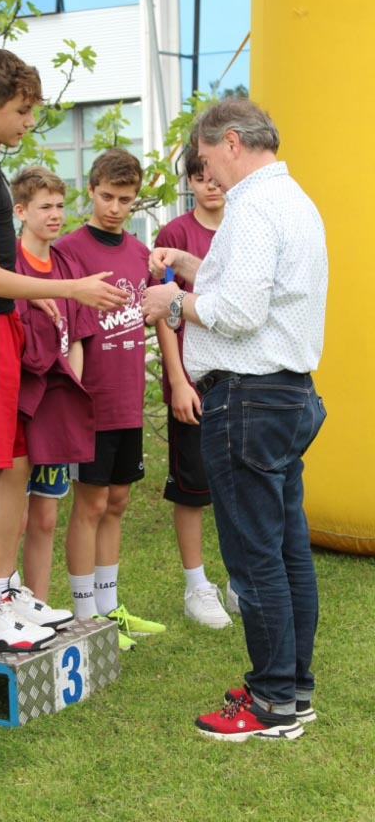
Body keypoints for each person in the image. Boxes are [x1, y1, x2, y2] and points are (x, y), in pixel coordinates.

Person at [143, 98, 327, 741]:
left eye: (205, 157)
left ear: (230, 141)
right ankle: (292, 688)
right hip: (286, 394)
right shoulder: (294, 200)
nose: (207, 172)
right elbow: (259, 289)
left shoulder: (251, 206)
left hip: (247, 397)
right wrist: (193, 268)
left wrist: (173, 302)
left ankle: (272, 702)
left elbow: (241, 312)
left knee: (254, 558)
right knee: (287, 550)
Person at [0, 48, 129, 654]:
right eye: (21, 111)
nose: (28, 122)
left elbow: (1, 269)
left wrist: (39, 296)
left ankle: (2, 588)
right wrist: (69, 289)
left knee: (9, 463)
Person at [56, 148, 166, 651]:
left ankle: (109, 608)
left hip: (128, 398)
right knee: (91, 502)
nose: (115, 208)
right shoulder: (70, 250)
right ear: (91, 190)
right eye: (106, 197)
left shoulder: (141, 254)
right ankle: (84, 616)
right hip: (90, 401)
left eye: (125, 200)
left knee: (117, 500)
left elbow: (157, 315)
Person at [8, 165, 97, 604]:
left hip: (56, 406)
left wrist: (72, 388)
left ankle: (38, 603)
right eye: (45, 206)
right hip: (18, 405)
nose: (55, 215)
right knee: (14, 517)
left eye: (60, 206)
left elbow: (77, 337)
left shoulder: (67, 265)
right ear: (21, 211)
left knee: (45, 516)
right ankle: (2, 600)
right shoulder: (8, 265)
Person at [154, 147, 233, 629]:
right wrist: (178, 380)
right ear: (189, 183)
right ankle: (196, 585)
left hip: (241, 378)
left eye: (216, 177)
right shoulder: (174, 235)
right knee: (192, 489)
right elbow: (163, 311)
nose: (211, 185)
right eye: (201, 178)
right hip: (194, 381)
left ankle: (240, 579)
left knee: (241, 485)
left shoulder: (243, 227)